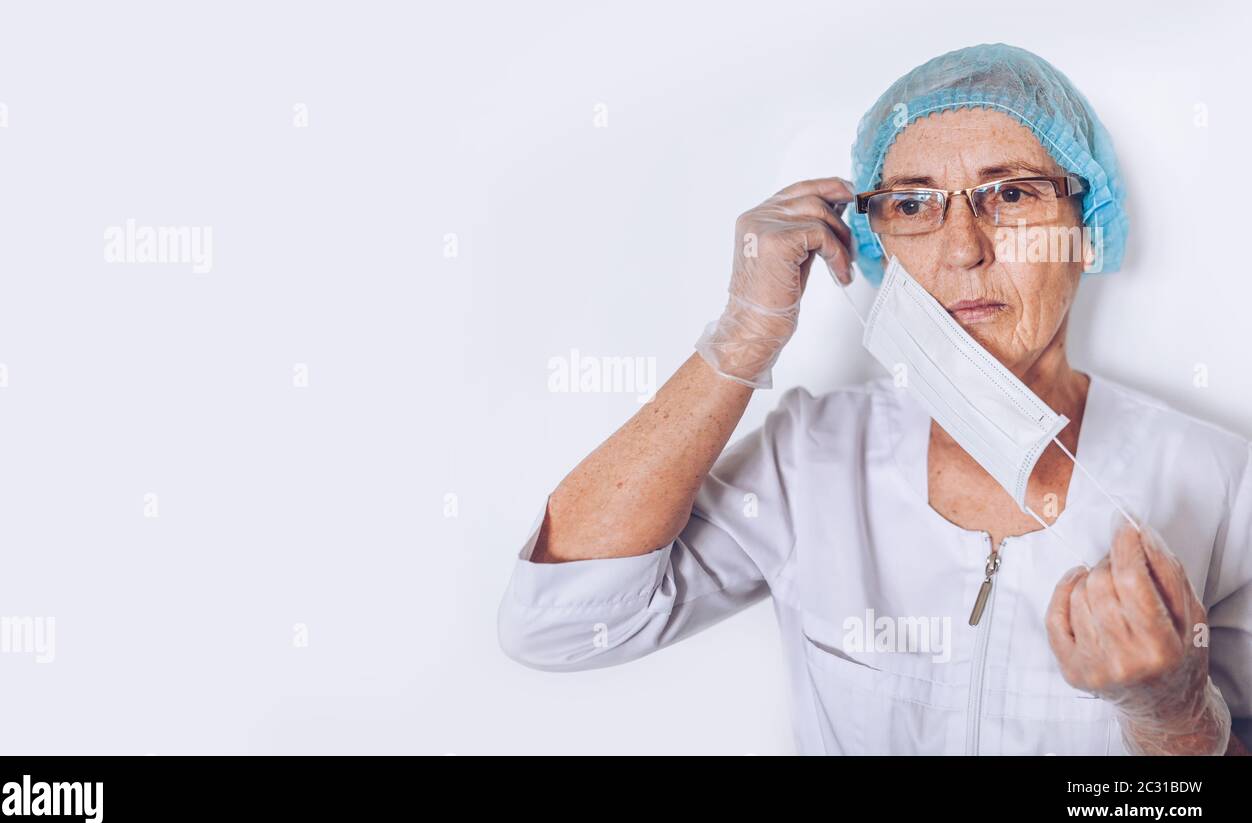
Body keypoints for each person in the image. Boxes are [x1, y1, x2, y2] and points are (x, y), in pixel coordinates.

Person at [496, 43, 1251, 755]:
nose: (962, 248)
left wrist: (1176, 719)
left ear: (1087, 231)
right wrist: (742, 336)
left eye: (1011, 192)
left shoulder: (1219, 487)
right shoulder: (812, 460)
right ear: (874, 240)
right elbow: (558, 622)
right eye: (914, 206)